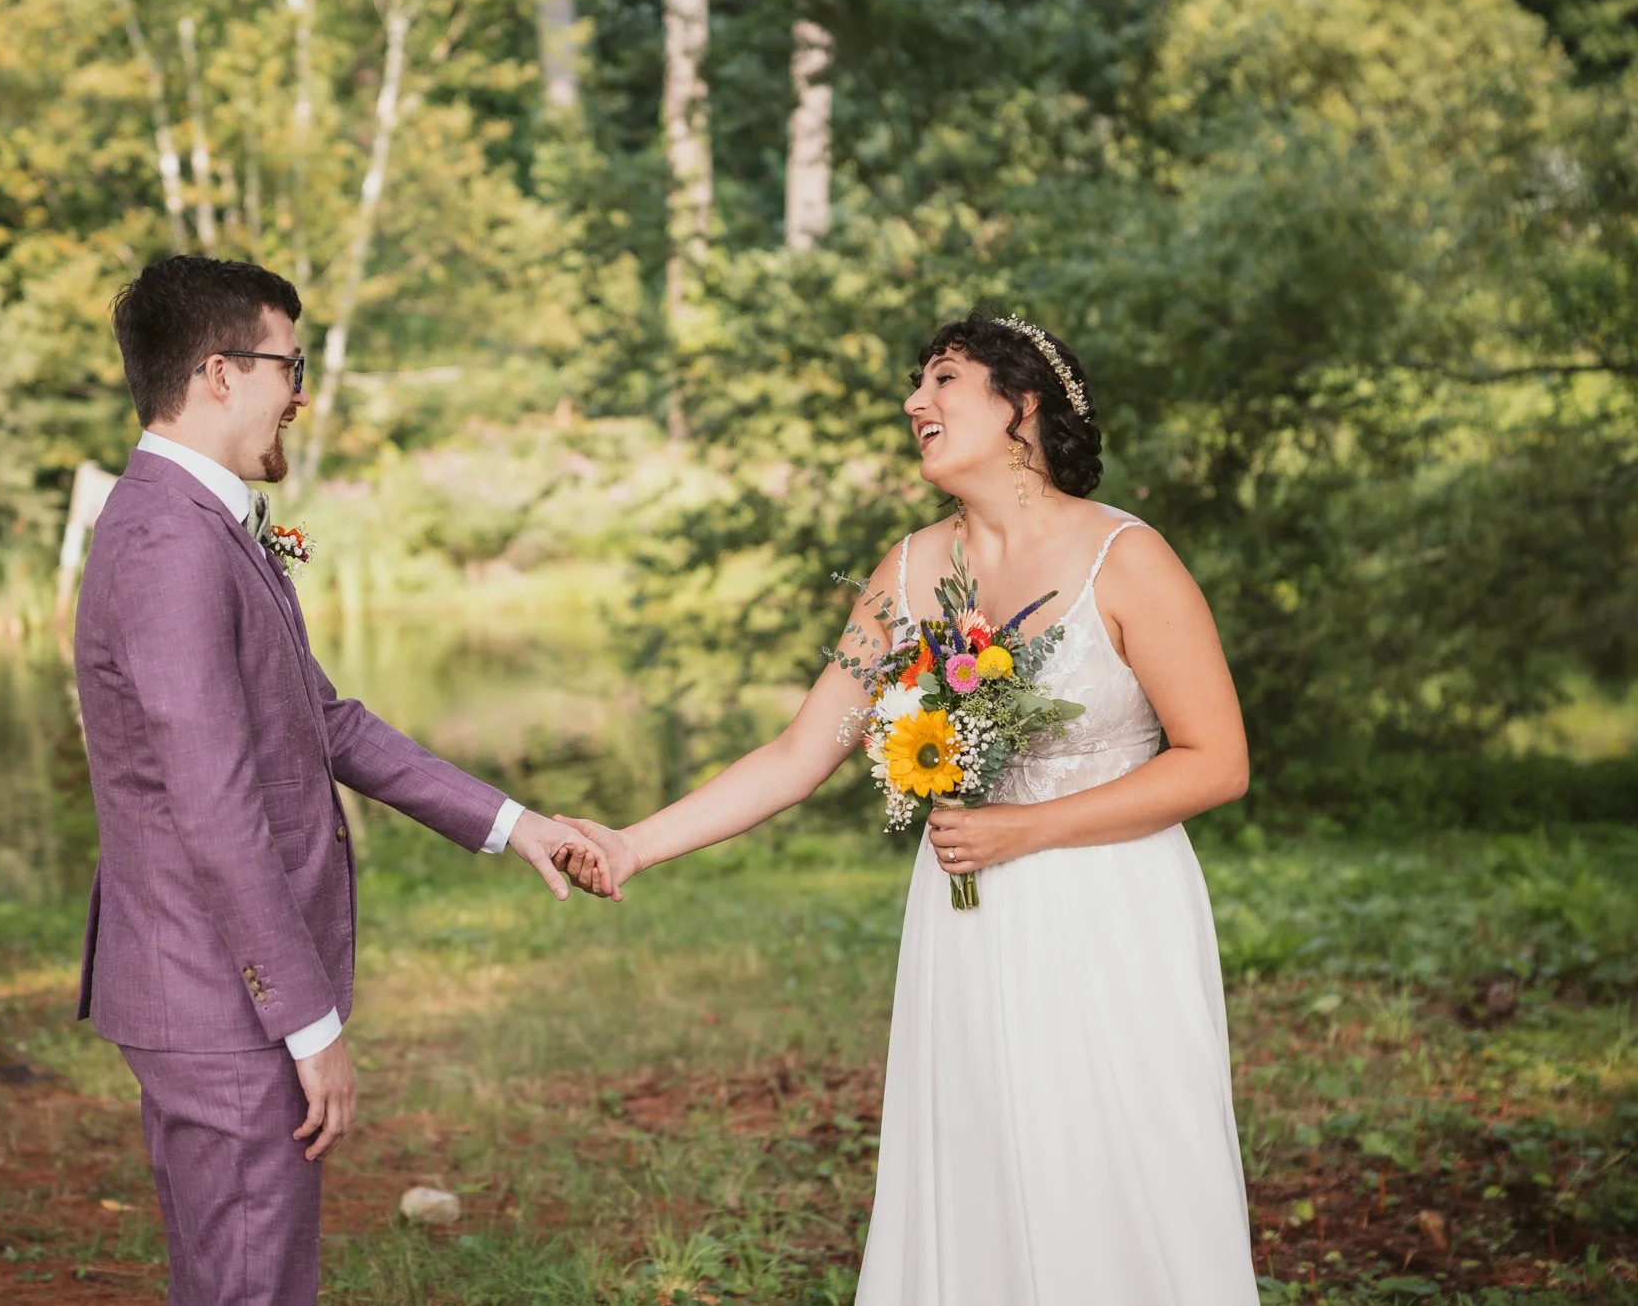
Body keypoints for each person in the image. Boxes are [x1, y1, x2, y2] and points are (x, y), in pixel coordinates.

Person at [554, 310, 1261, 1304]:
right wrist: (633, 844)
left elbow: (1216, 761)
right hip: (967, 925)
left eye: (940, 379)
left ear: (1018, 408)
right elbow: (802, 751)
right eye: (914, 385)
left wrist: (1024, 828)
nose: (912, 403)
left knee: (1115, 1155)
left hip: (1113, 909)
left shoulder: (1127, 558)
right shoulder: (908, 572)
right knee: (979, 1162)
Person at [71, 255, 590, 1305]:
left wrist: (511, 822)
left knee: (228, 1281)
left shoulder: (200, 523)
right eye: (289, 366)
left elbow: (324, 722)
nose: (301, 396)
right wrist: (306, 1024)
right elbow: (214, 808)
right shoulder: (171, 541)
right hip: (223, 997)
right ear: (219, 373)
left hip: (204, 985)